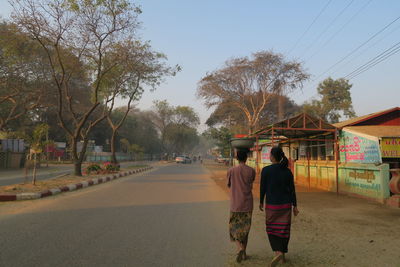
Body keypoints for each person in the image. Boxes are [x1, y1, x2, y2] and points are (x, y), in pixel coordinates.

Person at [259, 146, 299, 267]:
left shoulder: (266, 170)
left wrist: (261, 202)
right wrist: (295, 206)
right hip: (286, 206)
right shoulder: (287, 172)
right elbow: (292, 190)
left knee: (271, 229)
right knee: (284, 230)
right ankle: (282, 255)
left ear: (272, 156)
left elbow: (263, 188)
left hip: (272, 206)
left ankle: (278, 252)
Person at [227, 150, 256, 263]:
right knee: (246, 228)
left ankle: (239, 248)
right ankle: (244, 252)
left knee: (234, 228)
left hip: (235, 204)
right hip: (248, 204)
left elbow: (229, 185)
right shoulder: (251, 171)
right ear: (246, 158)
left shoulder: (231, 170)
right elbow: (251, 182)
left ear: (237, 158)